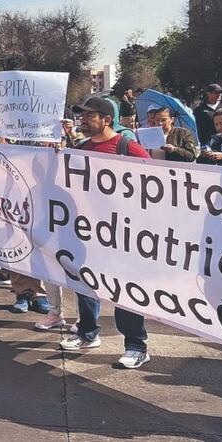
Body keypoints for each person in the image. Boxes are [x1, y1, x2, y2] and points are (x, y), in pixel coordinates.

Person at [59, 96, 153, 369]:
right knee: (85, 282)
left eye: (89, 116)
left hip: (123, 233)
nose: (83, 121)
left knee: (125, 289)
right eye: (82, 116)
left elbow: (156, 185)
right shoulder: (80, 149)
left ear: (106, 119)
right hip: (89, 231)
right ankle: (88, 333)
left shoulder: (128, 148)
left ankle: (136, 345)